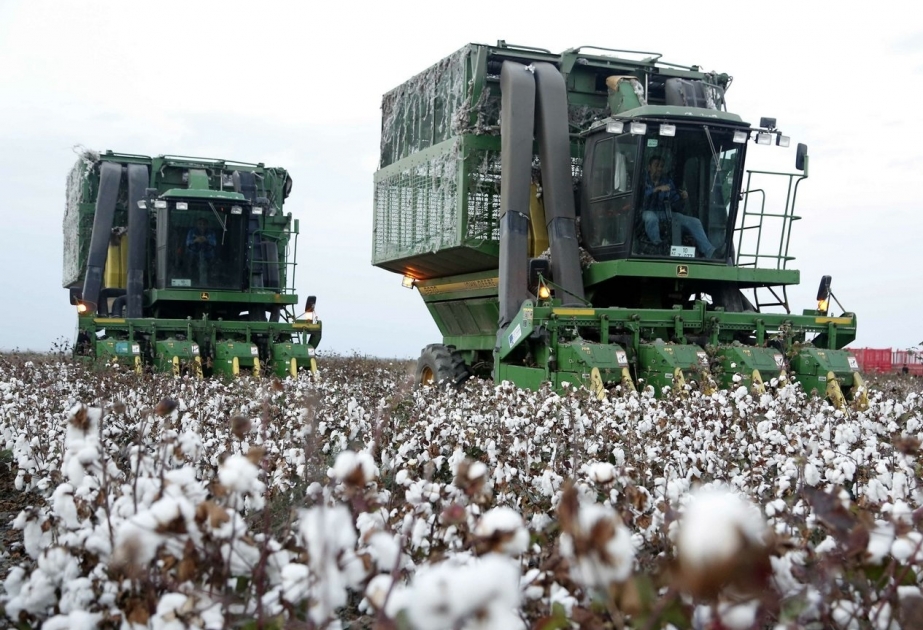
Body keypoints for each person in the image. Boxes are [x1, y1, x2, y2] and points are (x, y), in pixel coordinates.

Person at [640, 156, 716, 258]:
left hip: (665, 213)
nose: (659, 169)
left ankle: (710, 252)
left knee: (694, 222)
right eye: (656, 165)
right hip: (646, 211)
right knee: (650, 218)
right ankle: (658, 246)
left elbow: (675, 202)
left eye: (661, 166)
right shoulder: (642, 179)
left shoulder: (667, 181)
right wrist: (656, 189)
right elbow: (639, 197)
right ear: (649, 167)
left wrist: (682, 198)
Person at [186, 218, 217, 285]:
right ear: (196, 224)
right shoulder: (192, 232)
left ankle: (207, 284)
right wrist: (195, 240)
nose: (202, 226)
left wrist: (206, 240)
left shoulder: (211, 233)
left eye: (204, 224)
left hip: (208, 255)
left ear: (207, 225)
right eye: (200, 224)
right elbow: (188, 243)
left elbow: (214, 243)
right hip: (193, 255)